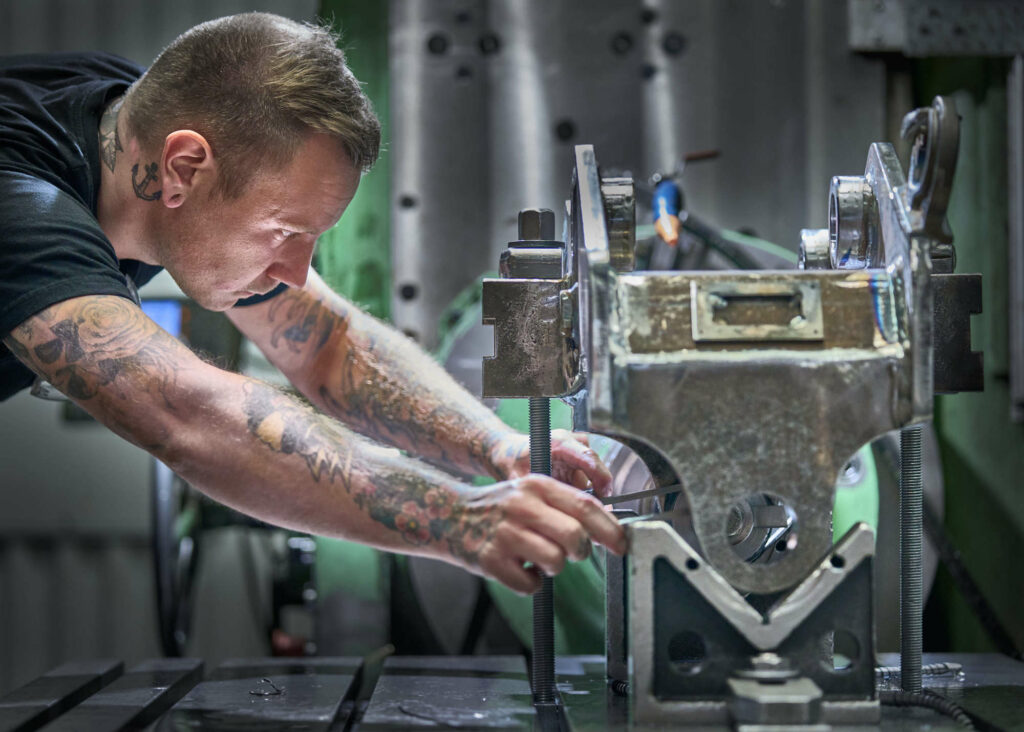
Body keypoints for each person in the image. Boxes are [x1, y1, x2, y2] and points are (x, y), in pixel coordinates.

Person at [0, 13, 626, 595]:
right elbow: (186, 414)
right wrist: (460, 520)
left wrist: (498, 447)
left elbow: (327, 349)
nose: (296, 274)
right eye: (283, 232)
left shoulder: (134, 114)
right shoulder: (19, 202)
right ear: (183, 166)